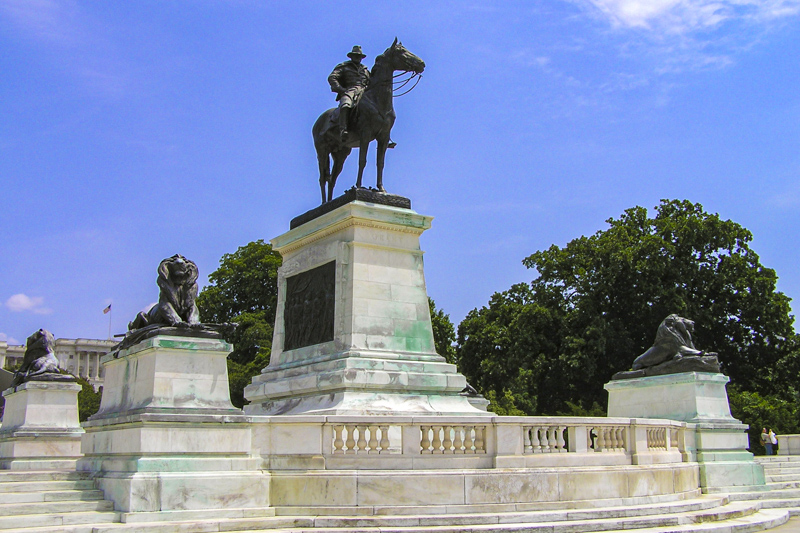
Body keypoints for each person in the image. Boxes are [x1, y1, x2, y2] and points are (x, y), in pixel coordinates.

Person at [328, 45, 370, 139]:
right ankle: (343, 129)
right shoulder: (344, 66)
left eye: (359, 56)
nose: (357, 58)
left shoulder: (365, 70)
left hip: (365, 91)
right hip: (350, 90)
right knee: (346, 104)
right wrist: (341, 89)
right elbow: (332, 77)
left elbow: (371, 81)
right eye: (355, 55)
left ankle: (382, 134)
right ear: (351, 56)